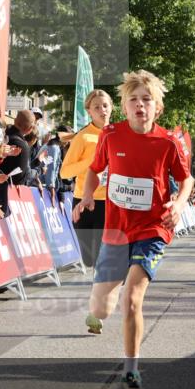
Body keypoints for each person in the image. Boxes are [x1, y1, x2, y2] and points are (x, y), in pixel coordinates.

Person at [74, 71, 193, 389]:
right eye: (133, 99)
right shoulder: (111, 136)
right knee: (102, 308)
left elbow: (186, 180)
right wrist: (86, 196)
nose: (140, 104)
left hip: (152, 229)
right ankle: (95, 313)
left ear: (158, 108)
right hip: (116, 230)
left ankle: (131, 372)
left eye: (147, 99)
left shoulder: (168, 142)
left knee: (132, 299)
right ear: (124, 107)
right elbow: (95, 170)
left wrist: (179, 204)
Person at [61, 89, 113, 269]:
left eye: (105, 106)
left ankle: (105, 295)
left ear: (112, 108)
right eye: (97, 107)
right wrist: (91, 162)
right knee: (89, 259)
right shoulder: (83, 137)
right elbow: (64, 173)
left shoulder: (118, 135)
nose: (102, 110)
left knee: (103, 257)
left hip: (109, 202)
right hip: (83, 201)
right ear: (89, 111)